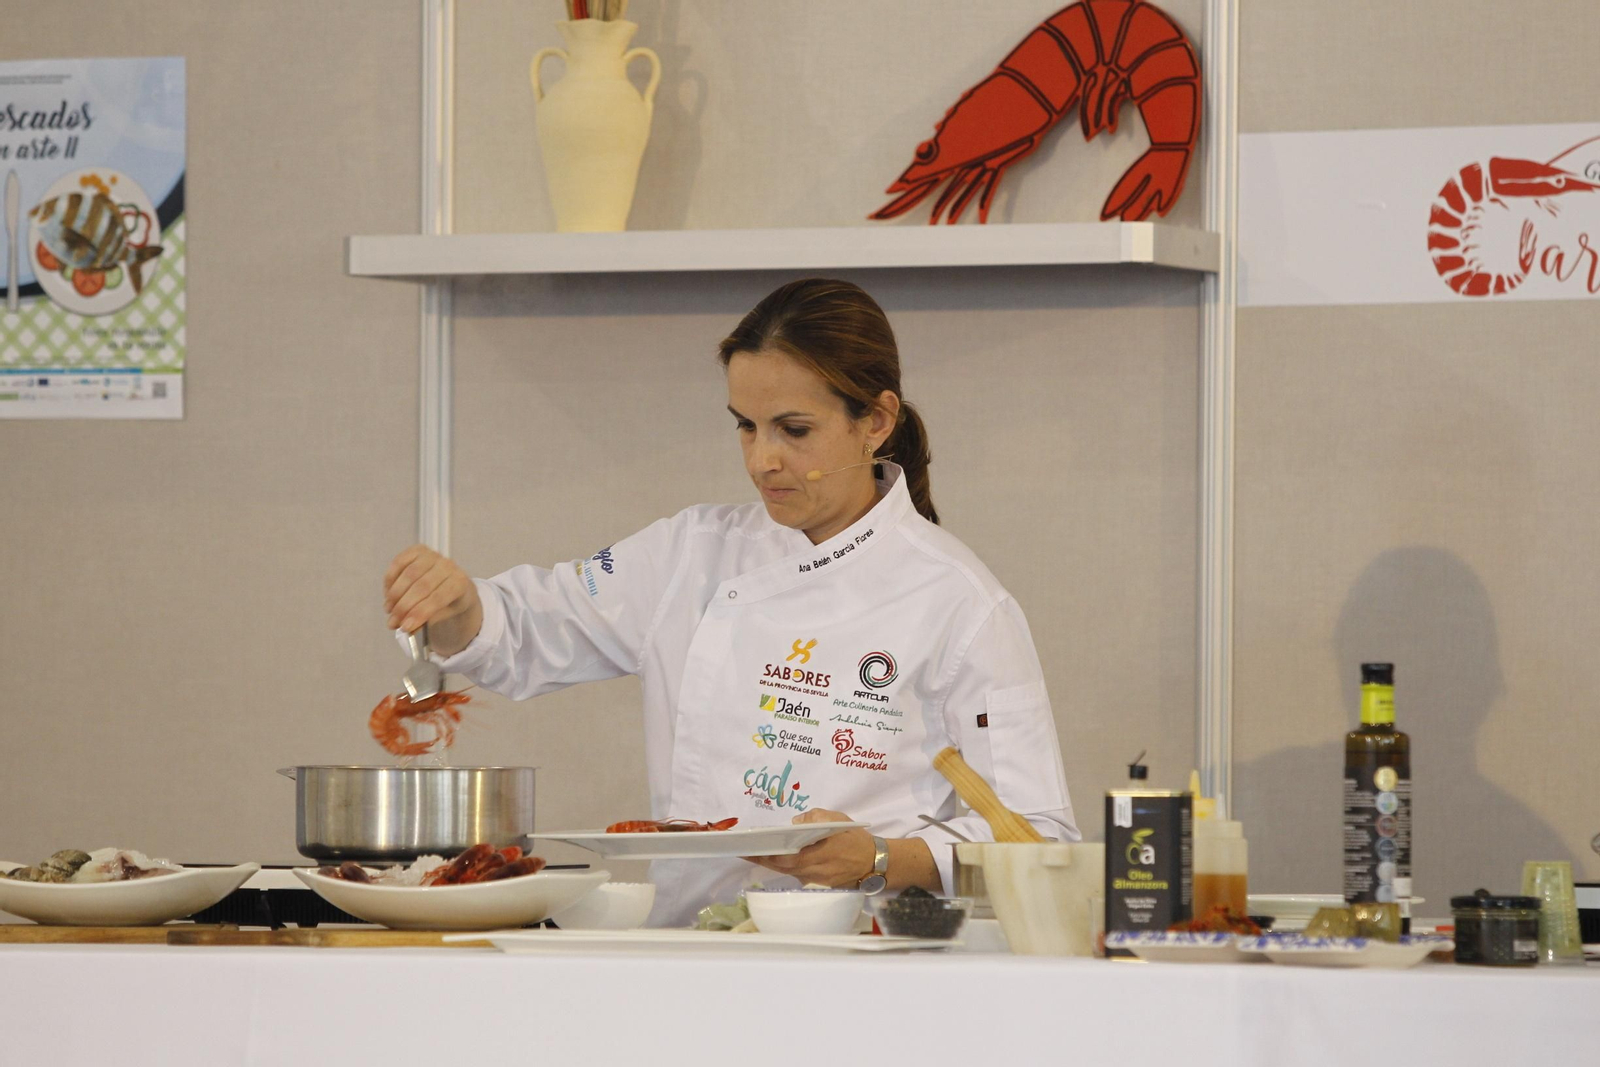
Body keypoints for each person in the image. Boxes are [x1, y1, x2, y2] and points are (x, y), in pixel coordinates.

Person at [382, 278, 1078, 926]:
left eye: (793, 430)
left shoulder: (960, 602)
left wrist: (877, 858)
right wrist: (462, 606)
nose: (760, 460)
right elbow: (529, 625)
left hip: (864, 963)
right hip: (690, 953)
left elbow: (1040, 837)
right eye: (745, 425)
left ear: (876, 420)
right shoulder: (691, 552)